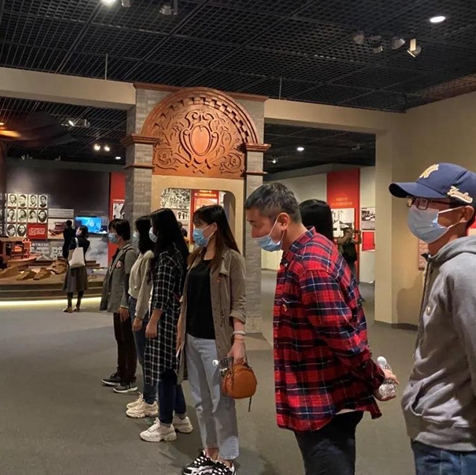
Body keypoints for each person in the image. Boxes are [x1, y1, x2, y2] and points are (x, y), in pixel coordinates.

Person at [244, 183, 397, 475]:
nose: (253, 234)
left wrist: (375, 378)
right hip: (318, 396)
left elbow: (342, 338)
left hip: (326, 403)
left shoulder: (310, 265)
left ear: (283, 220)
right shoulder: (306, 251)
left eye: (256, 225)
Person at [388, 163, 476, 474]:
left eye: (426, 202)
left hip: (452, 443)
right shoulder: (441, 264)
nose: (416, 209)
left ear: (463, 214)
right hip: (436, 431)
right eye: (414, 201)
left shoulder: (464, 272)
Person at [177, 205, 247, 475]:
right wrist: (180, 333)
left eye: (199, 224)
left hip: (217, 341)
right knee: (200, 399)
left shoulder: (232, 259)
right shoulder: (196, 257)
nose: (195, 230)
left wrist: (239, 339)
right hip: (193, 338)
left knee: (221, 400)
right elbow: (187, 300)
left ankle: (227, 459)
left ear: (214, 227)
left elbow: (239, 302)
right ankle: (210, 452)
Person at [140, 209, 193, 443]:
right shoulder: (180, 252)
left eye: (154, 226)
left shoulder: (166, 257)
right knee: (172, 369)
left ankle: (165, 424)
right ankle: (181, 416)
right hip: (176, 318)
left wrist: (152, 321)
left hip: (165, 321)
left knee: (165, 372)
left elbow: (161, 292)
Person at [100, 219, 138, 394]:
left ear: (120, 233)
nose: (110, 234)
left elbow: (130, 281)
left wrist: (125, 303)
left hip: (124, 305)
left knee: (127, 341)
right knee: (120, 340)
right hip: (117, 305)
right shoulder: (120, 252)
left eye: (112, 231)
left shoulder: (129, 253)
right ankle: (120, 372)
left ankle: (129, 377)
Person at [126, 216, 158, 418]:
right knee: (142, 355)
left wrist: (139, 315)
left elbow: (145, 289)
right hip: (134, 302)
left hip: (141, 307)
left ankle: (150, 399)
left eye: (137, 231)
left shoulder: (149, 256)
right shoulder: (142, 254)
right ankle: (147, 395)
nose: (135, 235)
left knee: (146, 356)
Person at [62, 226, 89, 313]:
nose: (76, 231)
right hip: (82, 263)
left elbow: (69, 251)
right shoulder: (87, 242)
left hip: (73, 264)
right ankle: (78, 305)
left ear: (80, 231)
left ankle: (69, 306)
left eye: (77, 229)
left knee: (70, 285)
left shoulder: (74, 240)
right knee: (81, 285)